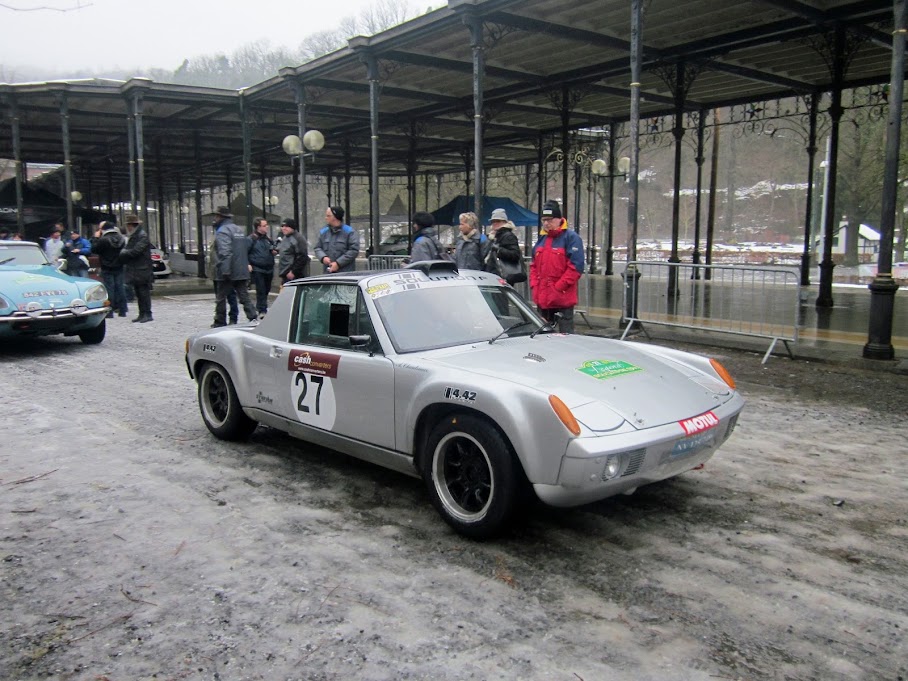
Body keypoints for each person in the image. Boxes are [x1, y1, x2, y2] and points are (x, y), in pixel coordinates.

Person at [530, 199, 584, 333]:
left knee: (565, 337)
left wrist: (558, 287)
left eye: (549, 219)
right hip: (543, 299)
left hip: (562, 299)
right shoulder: (542, 239)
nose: (546, 223)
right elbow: (533, 266)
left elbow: (576, 267)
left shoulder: (571, 238)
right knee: (543, 337)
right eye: (544, 220)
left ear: (559, 219)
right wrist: (535, 285)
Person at [211, 206, 258, 328]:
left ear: (221, 217)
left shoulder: (222, 231)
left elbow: (225, 252)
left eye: (216, 216)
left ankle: (219, 321)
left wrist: (225, 270)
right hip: (241, 270)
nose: (215, 218)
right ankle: (253, 317)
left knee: (221, 298)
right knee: (244, 296)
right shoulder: (238, 230)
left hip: (228, 271)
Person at [118, 213, 154, 323]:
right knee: (139, 292)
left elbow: (136, 251)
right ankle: (142, 313)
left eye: (128, 225)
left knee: (143, 292)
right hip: (137, 269)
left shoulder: (141, 235)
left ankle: (147, 313)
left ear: (131, 225)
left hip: (142, 269)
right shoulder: (135, 235)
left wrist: (124, 252)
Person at [92, 220, 128, 318]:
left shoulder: (103, 239)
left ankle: (110, 310)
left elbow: (94, 249)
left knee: (109, 288)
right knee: (120, 287)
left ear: (103, 230)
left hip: (106, 266)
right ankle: (123, 310)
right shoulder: (121, 238)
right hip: (119, 265)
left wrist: (95, 238)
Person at [206, 224, 238, 324]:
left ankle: (232, 318)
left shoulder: (225, 237)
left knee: (230, 296)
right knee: (220, 298)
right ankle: (221, 319)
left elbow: (225, 254)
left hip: (224, 272)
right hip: (217, 272)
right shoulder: (217, 236)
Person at [484, 208, 525, 284]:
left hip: (503, 277)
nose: (495, 223)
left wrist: (498, 250)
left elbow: (515, 255)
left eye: (498, 221)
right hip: (493, 275)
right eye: (493, 221)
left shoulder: (508, 236)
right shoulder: (493, 236)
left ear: (504, 222)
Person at [315, 206, 359, 273]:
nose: (326, 218)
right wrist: (323, 257)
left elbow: (353, 250)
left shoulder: (349, 232)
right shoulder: (324, 232)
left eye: (328, 216)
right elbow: (317, 247)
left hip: (345, 273)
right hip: (328, 274)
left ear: (335, 217)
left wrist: (338, 263)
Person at [247, 217, 275, 317]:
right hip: (258, 268)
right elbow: (245, 252)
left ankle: (262, 307)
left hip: (268, 268)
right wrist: (248, 264)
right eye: (264, 225)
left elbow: (273, 249)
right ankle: (262, 309)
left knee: (266, 289)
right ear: (258, 227)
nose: (266, 227)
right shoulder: (252, 239)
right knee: (261, 289)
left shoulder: (268, 239)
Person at [276, 217, 310, 284]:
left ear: (292, 227)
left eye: (286, 226)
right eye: (282, 226)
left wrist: (293, 271)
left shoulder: (298, 239)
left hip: (294, 275)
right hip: (285, 274)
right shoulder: (284, 238)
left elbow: (302, 257)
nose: (283, 228)